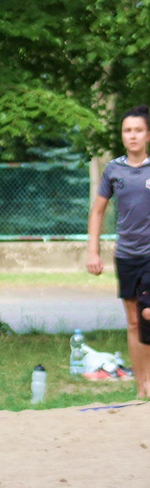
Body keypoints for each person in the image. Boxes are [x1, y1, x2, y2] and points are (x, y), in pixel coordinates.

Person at [86, 105, 150, 398]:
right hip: (126, 256)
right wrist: (93, 252)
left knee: (148, 313)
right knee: (135, 320)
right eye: (128, 130)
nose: (133, 135)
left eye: (138, 130)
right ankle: (142, 387)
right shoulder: (113, 169)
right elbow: (97, 212)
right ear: (123, 136)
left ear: (147, 134)